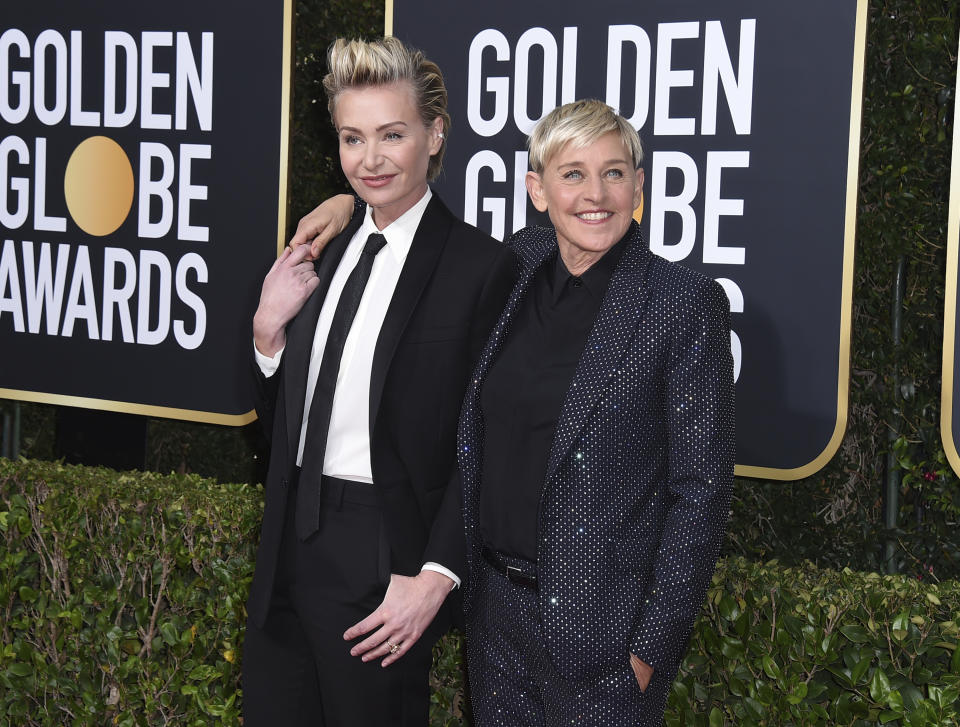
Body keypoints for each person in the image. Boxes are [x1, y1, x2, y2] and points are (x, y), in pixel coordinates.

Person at [299, 99, 734, 726]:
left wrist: (649, 651)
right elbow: (424, 232)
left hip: (605, 644)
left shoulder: (680, 303)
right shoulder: (517, 266)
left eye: (614, 173)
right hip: (497, 621)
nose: (596, 194)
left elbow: (701, 494)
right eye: (572, 173)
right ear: (537, 189)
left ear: (639, 186)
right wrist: (346, 208)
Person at [242, 37, 515, 727]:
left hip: (384, 552)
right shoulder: (323, 246)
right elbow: (288, 425)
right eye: (352, 137)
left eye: (392, 134)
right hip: (288, 542)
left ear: (435, 135)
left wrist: (435, 573)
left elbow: (489, 441)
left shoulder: (481, 267)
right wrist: (268, 340)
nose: (370, 159)